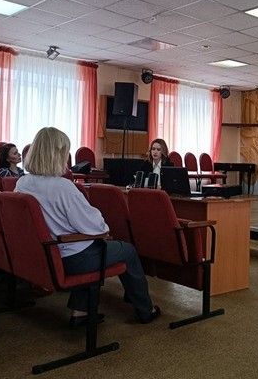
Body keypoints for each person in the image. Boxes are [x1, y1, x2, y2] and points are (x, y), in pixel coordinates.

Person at [15, 127, 160, 325]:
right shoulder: (63, 187)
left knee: (91, 246)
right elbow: (97, 228)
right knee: (127, 250)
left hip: (43, 254)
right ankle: (145, 309)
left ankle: (81, 311)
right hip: (71, 258)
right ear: (58, 154)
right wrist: (98, 218)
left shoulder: (22, 183)